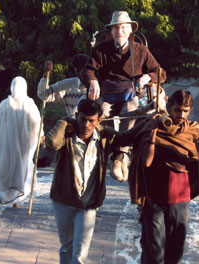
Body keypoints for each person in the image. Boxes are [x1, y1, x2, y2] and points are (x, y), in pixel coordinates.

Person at [46, 98, 152, 263]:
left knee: (80, 253)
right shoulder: (67, 134)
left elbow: (125, 138)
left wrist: (148, 121)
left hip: (88, 203)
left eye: (91, 121)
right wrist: (63, 121)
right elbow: (52, 143)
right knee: (66, 246)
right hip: (63, 200)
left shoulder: (104, 135)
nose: (86, 125)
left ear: (99, 120)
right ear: (76, 116)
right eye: (82, 119)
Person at [128, 90, 199, 264]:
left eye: (185, 111)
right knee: (154, 251)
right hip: (154, 199)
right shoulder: (154, 125)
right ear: (168, 107)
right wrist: (152, 133)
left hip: (180, 200)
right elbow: (146, 162)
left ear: (190, 110)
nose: (181, 115)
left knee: (175, 251)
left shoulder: (194, 130)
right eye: (177, 110)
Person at [82, 10, 167, 182]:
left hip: (131, 93)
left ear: (129, 30)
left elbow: (161, 73)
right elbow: (88, 70)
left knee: (131, 109)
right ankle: (106, 151)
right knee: (100, 113)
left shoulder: (140, 50)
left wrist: (148, 77)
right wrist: (93, 81)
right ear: (111, 32)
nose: (119, 32)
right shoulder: (101, 50)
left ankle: (121, 154)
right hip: (108, 93)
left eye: (122, 28)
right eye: (115, 28)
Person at [0, 76, 42, 208]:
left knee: (11, 170)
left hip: (16, 146)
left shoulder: (7, 104)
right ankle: (13, 200)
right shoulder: (25, 104)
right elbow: (37, 124)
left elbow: (37, 123)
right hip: (19, 146)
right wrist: (41, 135)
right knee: (18, 170)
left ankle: (12, 199)